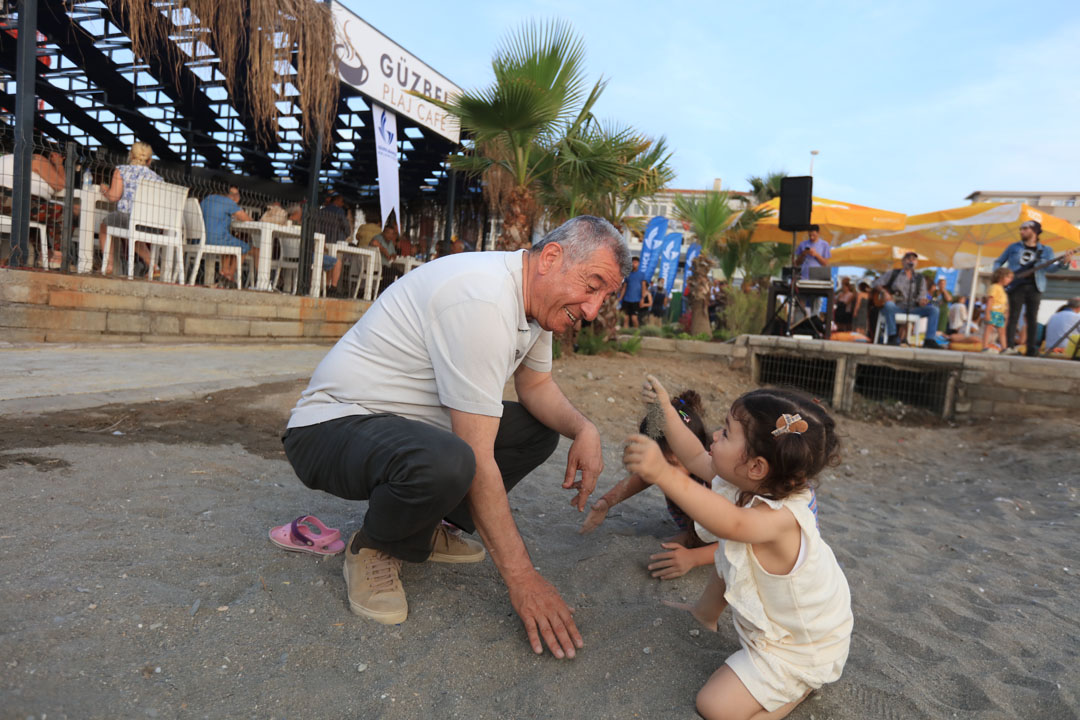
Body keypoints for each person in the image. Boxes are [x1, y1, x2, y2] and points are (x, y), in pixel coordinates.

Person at [282, 215, 628, 659]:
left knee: (537, 431)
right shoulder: (482, 299)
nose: (593, 309)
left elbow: (535, 387)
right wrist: (523, 578)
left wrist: (585, 428)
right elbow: (478, 455)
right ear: (552, 258)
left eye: (605, 295)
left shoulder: (533, 302)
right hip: (330, 428)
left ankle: (426, 525)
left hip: (405, 428)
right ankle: (375, 546)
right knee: (454, 460)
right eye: (592, 285)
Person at [623, 378, 851, 720]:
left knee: (713, 706)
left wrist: (664, 475)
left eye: (726, 433)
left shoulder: (782, 520)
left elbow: (731, 524)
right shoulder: (747, 480)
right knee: (732, 556)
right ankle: (705, 613)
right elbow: (695, 455)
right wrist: (666, 411)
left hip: (800, 647)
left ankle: (796, 689)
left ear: (757, 466)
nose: (714, 435)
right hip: (788, 621)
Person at [580, 390, 717, 579]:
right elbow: (643, 478)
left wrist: (693, 557)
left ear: (696, 449)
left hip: (715, 532)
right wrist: (606, 503)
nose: (662, 470)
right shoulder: (675, 466)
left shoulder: (715, 483)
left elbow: (738, 541)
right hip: (692, 522)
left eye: (671, 464)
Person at [993, 220, 1079, 357]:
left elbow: (1050, 269)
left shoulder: (1046, 250)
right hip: (1016, 285)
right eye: (1021, 229)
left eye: (1025, 229)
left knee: (1032, 317)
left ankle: (1031, 349)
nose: (1021, 231)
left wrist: (1064, 263)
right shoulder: (1013, 247)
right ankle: (1009, 347)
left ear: (1034, 231)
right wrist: (1000, 275)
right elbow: (998, 261)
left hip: (1036, 286)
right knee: (1013, 316)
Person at [98, 141, 162, 275]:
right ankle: (154, 266)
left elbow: (114, 197)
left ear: (131, 156)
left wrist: (104, 190)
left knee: (104, 226)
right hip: (150, 223)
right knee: (133, 234)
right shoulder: (157, 178)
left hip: (127, 217)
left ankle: (109, 266)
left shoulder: (122, 170)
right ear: (149, 160)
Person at [0, 147, 67, 267]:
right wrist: (59, 165)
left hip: (6, 204)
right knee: (62, 212)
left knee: (37, 217)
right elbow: (60, 184)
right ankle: (56, 256)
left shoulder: (8, 158)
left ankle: (43, 253)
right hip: (14, 202)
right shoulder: (37, 158)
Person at [871, 251, 942, 347]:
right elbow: (875, 283)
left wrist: (923, 302)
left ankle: (929, 340)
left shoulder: (920, 278)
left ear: (916, 262)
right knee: (889, 305)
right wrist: (885, 292)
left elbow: (922, 297)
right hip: (896, 307)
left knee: (934, 309)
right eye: (908, 259)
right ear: (903, 261)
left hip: (912, 308)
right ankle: (892, 336)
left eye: (914, 259)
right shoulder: (894, 273)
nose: (911, 261)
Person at [201, 185, 256, 288]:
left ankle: (224, 272)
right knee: (245, 246)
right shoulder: (227, 202)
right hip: (216, 239)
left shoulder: (207, 199)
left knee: (230, 241)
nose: (235, 197)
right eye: (234, 194)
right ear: (228, 194)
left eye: (237, 195)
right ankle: (229, 276)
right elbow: (247, 219)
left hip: (202, 239)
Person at [981, 267, 1012, 353]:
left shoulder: (1002, 289)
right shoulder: (994, 287)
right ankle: (985, 347)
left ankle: (1004, 348)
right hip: (993, 311)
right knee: (989, 329)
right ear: (1001, 277)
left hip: (1000, 313)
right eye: (1008, 277)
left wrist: (1005, 312)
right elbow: (990, 300)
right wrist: (987, 313)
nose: (1010, 280)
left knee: (1002, 331)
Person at [617, 256, 648, 329]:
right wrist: (620, 298)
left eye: (635, 262)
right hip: (626, 300)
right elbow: (624, 287)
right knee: (625, 318)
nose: (634, 264)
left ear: (638, 264)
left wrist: (642, 299)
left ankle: (636, 334)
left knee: (634, 318)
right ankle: (626, 333)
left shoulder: (642, 274)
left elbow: (643, 287)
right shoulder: (628, 274)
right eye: (632, 262)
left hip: (636, 300)